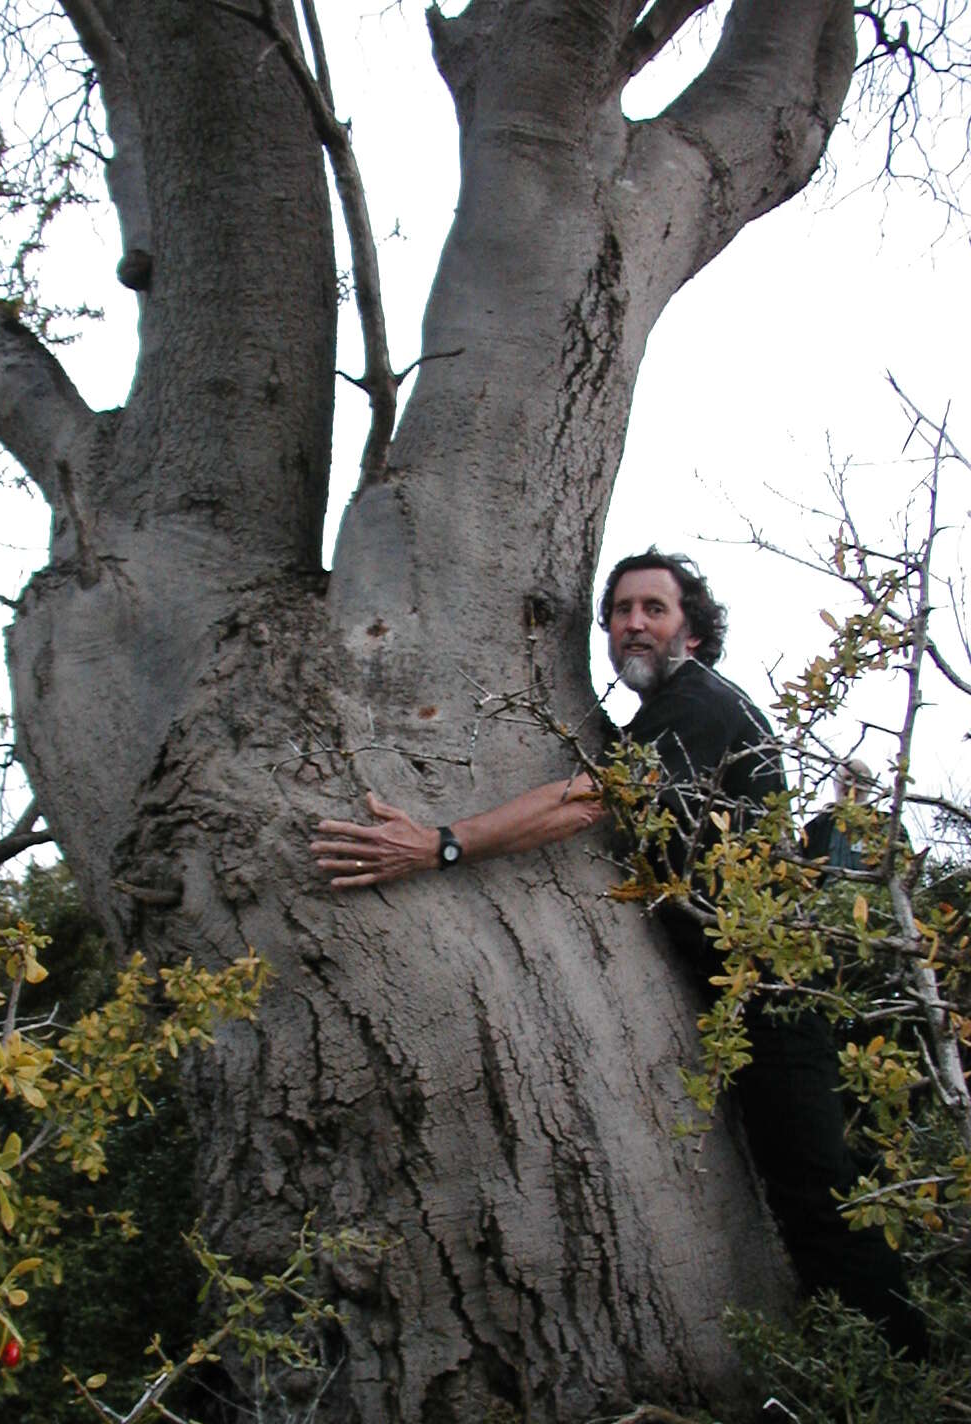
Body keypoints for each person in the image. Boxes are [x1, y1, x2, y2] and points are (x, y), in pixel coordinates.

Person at [312, 551, 926, 1358]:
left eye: (654, 609)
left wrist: (440, 843)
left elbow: (591, 800)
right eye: (619, 612)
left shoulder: (702, 704)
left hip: (773, 988)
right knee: (799, 1186)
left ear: (694, 632)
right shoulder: (662, 720)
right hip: (741, 990)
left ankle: (905, 1382)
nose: (632, 624)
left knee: (818, 1195)